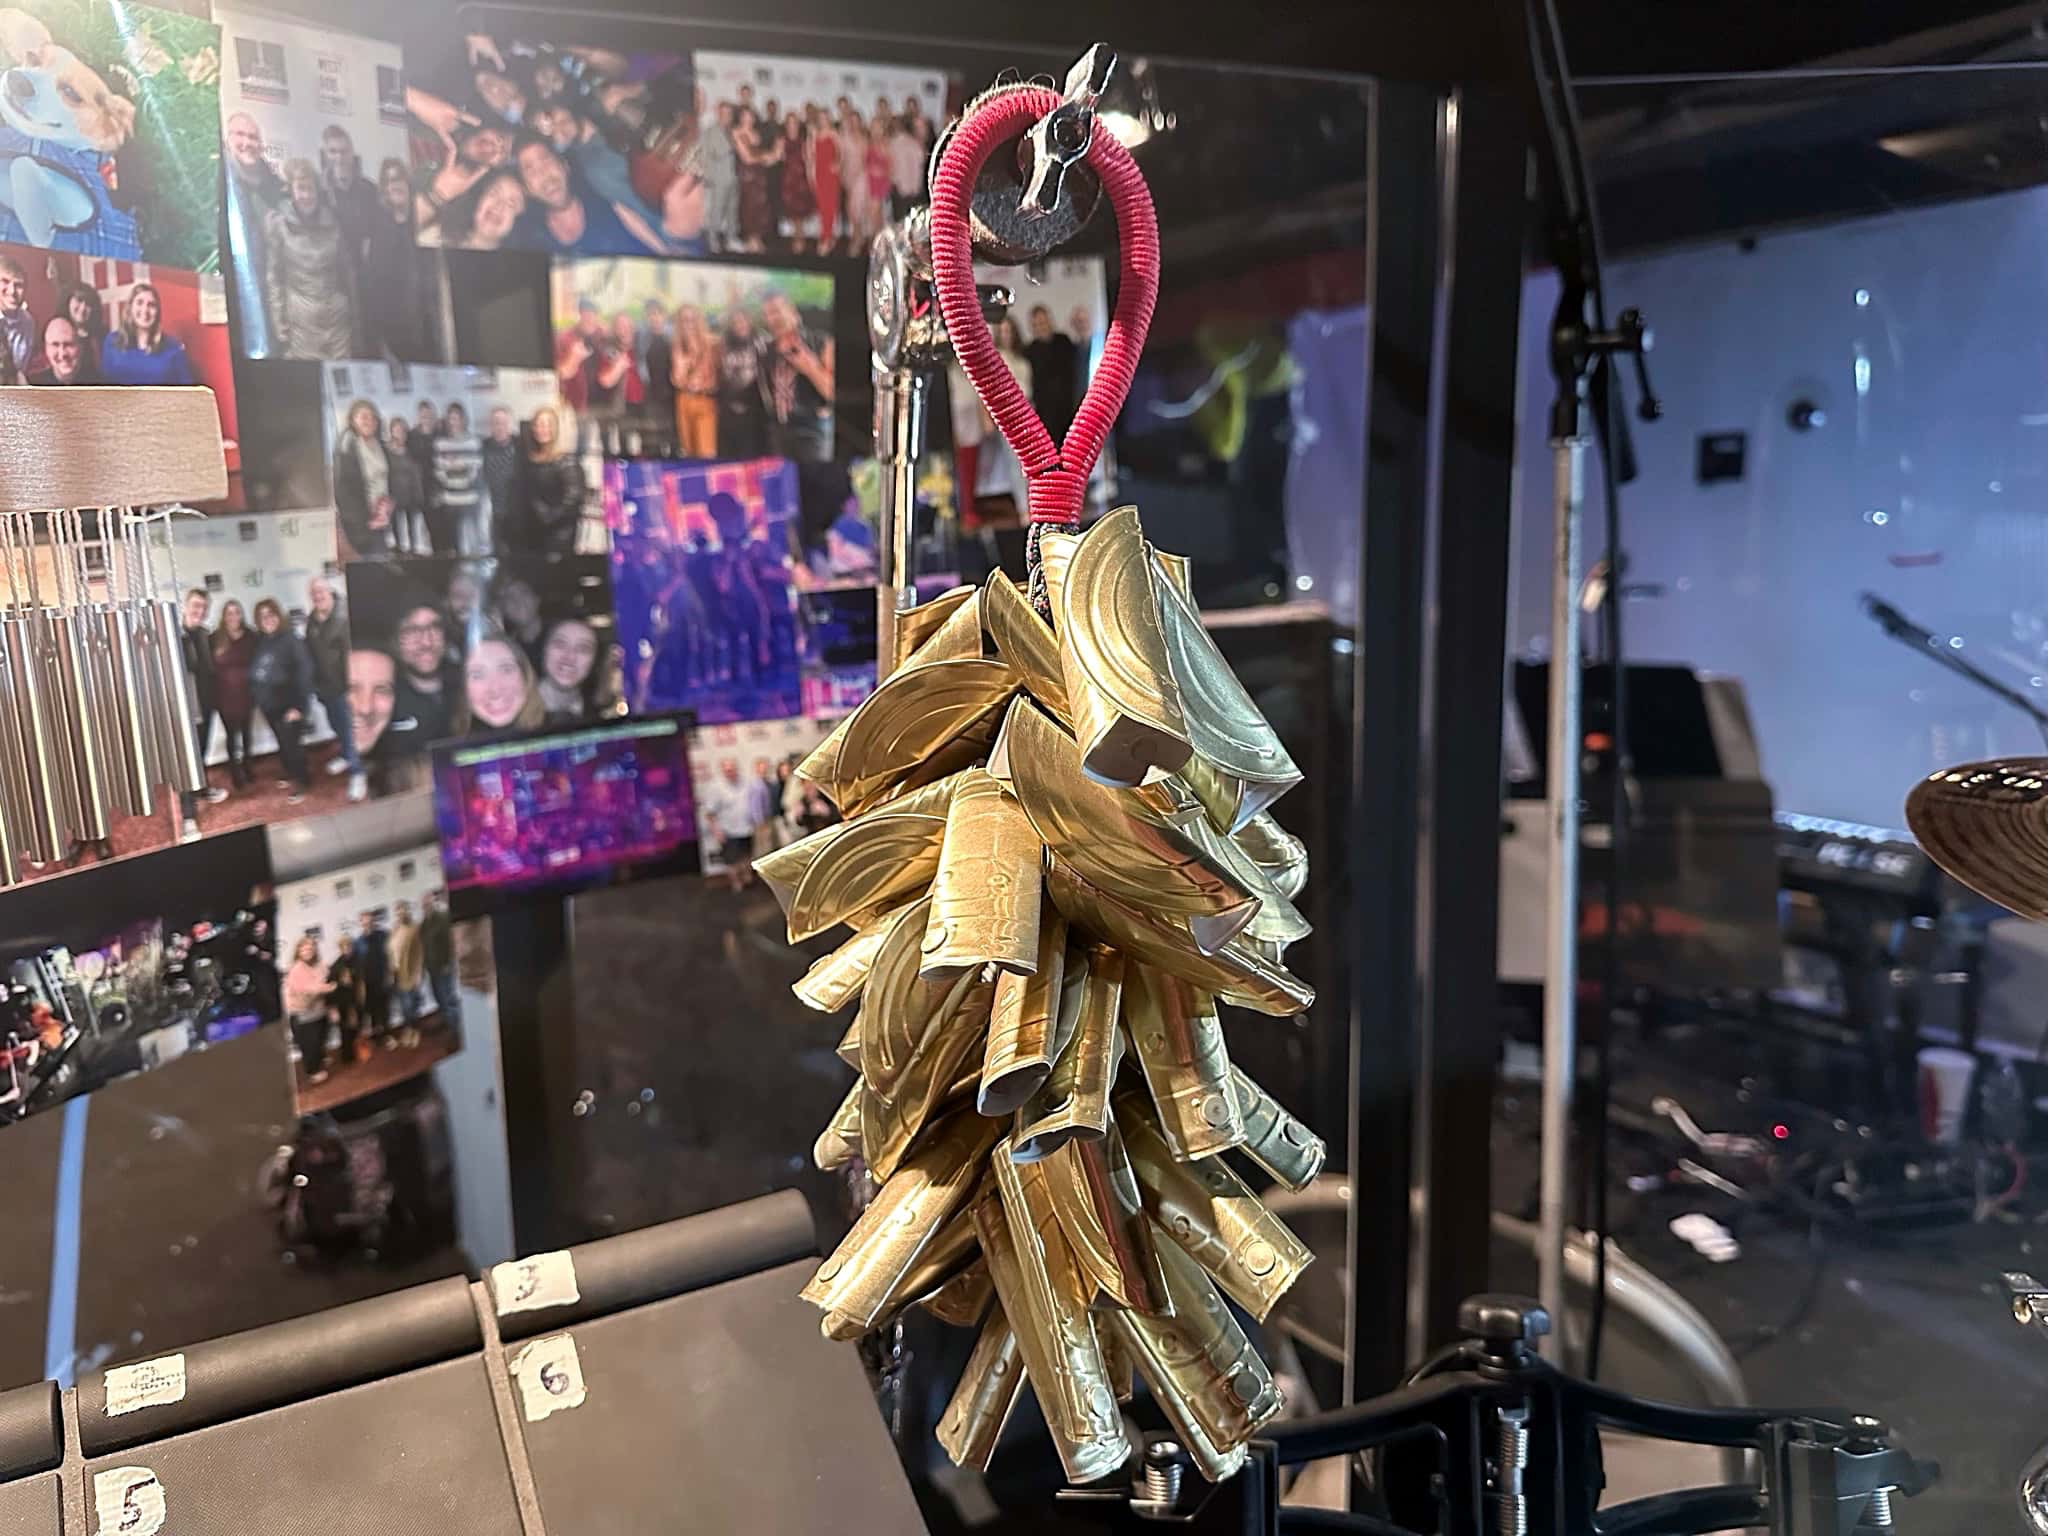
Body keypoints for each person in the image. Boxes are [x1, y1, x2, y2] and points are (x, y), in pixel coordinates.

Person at [509, 132, 662, 256]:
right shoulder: (533, 241)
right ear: (527, 190)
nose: (542, 173)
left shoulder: (603, 198)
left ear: (564, 167)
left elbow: (649, 237)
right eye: (530, 170)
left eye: (546, 160)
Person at [264, 158, 358, 360]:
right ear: (291, 191)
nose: (306, 195)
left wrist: (354, 313)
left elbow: (348, 271)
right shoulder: (279, 226)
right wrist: (279, 321)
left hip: (337, 323)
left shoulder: (332, 222)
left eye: (311, 189)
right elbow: (274, 277)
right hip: (302, 324)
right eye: (301, 189)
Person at [223, 113, 286, 354]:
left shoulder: (277, 188)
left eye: (253, 137)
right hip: (238, 303)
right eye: (239, 135)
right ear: (227, 139)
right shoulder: (221, 188)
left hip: (274, 297)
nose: (246, 143)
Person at [362, 158, 429, 361]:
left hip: (429, 326)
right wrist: (381, 338)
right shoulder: (379, 229)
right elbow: (375, 285)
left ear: (408, 183)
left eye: (398, 179)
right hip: (396, 331)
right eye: (388, 181)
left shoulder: (426, 222)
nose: (394, 186)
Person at [250, 597, 315, 804]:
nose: (267, 619)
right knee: (283, 743)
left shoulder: (291, 639)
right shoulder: (262, 640)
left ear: (278, 616)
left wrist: (299, 706)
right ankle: (290, 773)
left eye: (270, 614)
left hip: (289, 704)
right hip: (270, 705)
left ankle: (303, 782)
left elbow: (305, 672)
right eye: (262, 616)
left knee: (292, 745)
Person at [305, 577, 365, 803]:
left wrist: (354, 686)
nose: (318, 596)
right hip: (325, 687)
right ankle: (347, 756)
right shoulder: (312, 619)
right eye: (314, 593)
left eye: (321, 591)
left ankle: (358, 773)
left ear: (330, 591)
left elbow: (353, 655)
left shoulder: (343, 617)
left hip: (345, 687)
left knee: (351, 731)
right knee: (337, 726)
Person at [761, 290, 835, 462]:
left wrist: (810, 367)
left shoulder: (821, 341)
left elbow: (833, 392)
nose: (774, 318)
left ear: (791, 310)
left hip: (812, 432)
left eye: (777, 310)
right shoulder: (767, 351)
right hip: (779, 434)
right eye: (768, 314)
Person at [332, 399, 395, 558]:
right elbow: (343, 492)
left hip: (382, 519)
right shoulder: (346, 449)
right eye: (363, 417)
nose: (369, 421)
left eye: (372, 417)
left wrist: (389, 504)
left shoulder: (380, 445)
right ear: (353, 420)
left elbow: (388, 478)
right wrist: (361, 524)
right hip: (361, 524)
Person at [519, 406, 585, 556]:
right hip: (535, 531)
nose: (541, 429)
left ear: (555, 428)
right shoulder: (529, 459)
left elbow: (573, 498)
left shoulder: (566, 460)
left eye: (547, 424)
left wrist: (549, 516)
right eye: (538, 424)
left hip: (560, 532)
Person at [98, 282, 193, 386]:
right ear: (130, 308)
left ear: (157, 312)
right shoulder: (112, 341)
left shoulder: (174, 347)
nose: (145, 310)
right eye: (139, 303)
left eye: (151, 305)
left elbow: (187, 391)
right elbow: (104, 387)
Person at [393, 604, 460, 749]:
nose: (426, 642)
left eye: (435, 627)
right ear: (395, 641)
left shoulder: (471, 686)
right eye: (411, 630)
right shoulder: (384, 702)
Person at [457, 630, 545, 732]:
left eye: (506, 669)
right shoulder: (451, 743)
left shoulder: (562, 730)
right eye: (478, 675)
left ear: (525, 676)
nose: (495, 689)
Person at [211, 600, 256, 788]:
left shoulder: (251, 636)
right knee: (232, 736)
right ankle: (235, 772)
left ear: (241, 615)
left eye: (237, 612)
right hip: (224, 696)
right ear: (224, 616)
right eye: (229, 613)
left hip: (247, 694)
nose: (233, 617)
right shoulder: (214, 638)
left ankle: (247, 766)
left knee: (246, 733)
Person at [320, 126, 378, 266]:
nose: (339, 158)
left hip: (363, 273)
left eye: (344, 151)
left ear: (352, 153)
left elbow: (376, 234)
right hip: (330, 273)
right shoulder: (318, 191)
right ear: (325, 155)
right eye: (333, 152)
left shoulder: (370, 189)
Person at [431, 401, 482, 556]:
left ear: (463, 419)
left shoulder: (474, 441)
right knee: (454, 547)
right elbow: (439, 469)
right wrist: (457, 469)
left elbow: (476, 468)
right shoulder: (440, 443)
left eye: (457, 418)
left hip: (469, 499)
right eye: (451, 418)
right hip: (449, 500)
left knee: (472, 545)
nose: (454, 422)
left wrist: (456, 468)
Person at [716, 308, 768, 458]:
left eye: (742, 320)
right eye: (735, 322)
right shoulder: (723, 344)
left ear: (749, 321)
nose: (739, 325)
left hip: (755, 411)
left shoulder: (762, 341)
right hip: (728, 411)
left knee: (752, 453)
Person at [1023, 304, 1080, 442]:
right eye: (1036, 324)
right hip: (1044, 416)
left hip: (1069, 410)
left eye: (1043, 322)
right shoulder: (1029, 351)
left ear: (1050, 321)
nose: (1040, 327)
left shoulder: (1064, 341)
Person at [284, 935, 335, 1084]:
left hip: (319, 1010)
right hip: (303, 1013)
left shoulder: (319, 965)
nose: (308, 951)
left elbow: (326, 977)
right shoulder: (296, 969)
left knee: (320, 1039)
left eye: (311, 948)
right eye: (304, 948)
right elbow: (308, 989)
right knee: (309, 1043)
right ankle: (313, 1071)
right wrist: (329, 988)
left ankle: (320, 1059)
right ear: (298, 951)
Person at [442, 165, 526, 251]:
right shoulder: (438, 238)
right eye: (494, 192)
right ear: (479, 198)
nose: (499, 205)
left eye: (511, 203)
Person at [671, 304, 717, 457]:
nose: (688, 324)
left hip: (704, 400)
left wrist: (703, 383)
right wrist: (682, 367)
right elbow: (676, 380)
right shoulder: (677, 346)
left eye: (691, 320)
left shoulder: (711, 344)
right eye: (684, 320)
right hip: (683, 400)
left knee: (706, 452)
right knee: (688, 451)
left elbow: (719, 377)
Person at [537, 616, 598, 722]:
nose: (570, 657)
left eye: (583, 648)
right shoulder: (514, 711)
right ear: (544, 650)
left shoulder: (598, 717)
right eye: (560, 644)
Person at [479, 407, 521, 554]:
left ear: (510, 424)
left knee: (518, 553)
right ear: (490, 425)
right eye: (496, 422)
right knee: (497, 554)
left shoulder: (521, 446)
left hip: (516, 512)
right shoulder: (483, 447)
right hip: (493, 512)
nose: (500, 426)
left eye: (503, 422)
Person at [700, 100, 739, 252]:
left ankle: (731, 239)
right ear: (718, 113)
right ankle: (713, 241)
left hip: (733, 177)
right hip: (718, 179)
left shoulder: (731, 130)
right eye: (724, 113)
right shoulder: (711, 131)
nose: (727, 116)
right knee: (716, 212)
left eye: (729, 114)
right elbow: (716, 152)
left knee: (732, 211)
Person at [385, 417, 428, 555]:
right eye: (396, 430)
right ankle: (399, 554)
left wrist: (419, 495)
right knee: (397, 532)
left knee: (413, 531)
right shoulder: (386, 451)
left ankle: (414, 553)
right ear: (391, 432)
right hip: (393, 497)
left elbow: (417, 474)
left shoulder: (412, 450)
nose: (400, 433)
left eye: (402, 430)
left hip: (411, 496)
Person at [733, 105, 772, 252]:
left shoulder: (757, 133)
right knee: (748, 207)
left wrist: (770, 156)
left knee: (760, 207)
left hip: (760, 175)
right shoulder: (737, 132)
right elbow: (747, 158)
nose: (748, 119)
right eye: (745, 116)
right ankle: (750, 240)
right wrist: (765, 156)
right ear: (740, 117)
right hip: (747, 175)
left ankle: (757, 239)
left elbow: (766, 156)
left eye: (751, 116)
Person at [554, 298, 604, 412]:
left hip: (600, 404)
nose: (590, 319)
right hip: (574, 404)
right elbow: (560, 374)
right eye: (586, 315)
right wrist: (574, 358)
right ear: (580, 315)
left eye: (593, 315)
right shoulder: (565, 338)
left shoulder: (602, 335)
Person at [352, 911, 392, 1047]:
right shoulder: (357, 942)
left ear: (374, 921)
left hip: (383, 978)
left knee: (385, 1009)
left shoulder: (383, 935)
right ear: (361, 923)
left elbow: (389, 957)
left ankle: (387, 1035)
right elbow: (356, 964)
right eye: (364, 921)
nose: (367, 924)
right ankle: (376, 1037)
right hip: (367, 983)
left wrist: (390, 974)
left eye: (370, 921)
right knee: (372, 1011)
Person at [421, 892, 459, 1030]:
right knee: (439, 999)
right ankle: (448, 1024)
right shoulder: (424, 924)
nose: (425, 905)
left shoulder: (443, 917)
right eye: (423, 904)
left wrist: (449, 963)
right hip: (432, 969)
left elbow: (450, 942)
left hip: (444, 967)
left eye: (427, 902)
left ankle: (456, 1031)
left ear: (433, 902)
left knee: (449, 999)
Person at [778, 110, 815, 253]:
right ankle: (796, 240)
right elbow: (778, 157)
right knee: (792, 213)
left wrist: (812, 180)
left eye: (795, 122)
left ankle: (800, 241)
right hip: (788, 179)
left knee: (800, 212)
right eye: (790, 122)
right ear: (786, 124)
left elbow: (809, 161)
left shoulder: (804, 139)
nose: (792, 125)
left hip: (800, 178)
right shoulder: (782, 140)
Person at [639, 300, 675, 443]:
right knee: (654, 437)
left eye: (657, 314)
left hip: (671, 391)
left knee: (673, 435)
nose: (654, 318)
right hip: (651, 391)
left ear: (664, 315)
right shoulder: (642, 336)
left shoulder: (674, 334)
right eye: (650, 315)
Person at [494, 573, 545, 668]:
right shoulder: (508, 650)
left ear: (537, 600)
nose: (517, 601)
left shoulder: (559, 635)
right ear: (504, 610)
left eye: (524, 593)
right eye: (509, 597)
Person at [808, 104, 840, 254]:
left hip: (831, 175)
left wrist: (837, 164)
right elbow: (810, 157)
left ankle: (826, 239)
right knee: (822, 208)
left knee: (830, 207)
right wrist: (811, 174)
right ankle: (827, 236)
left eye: (825, 118)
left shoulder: (834, 134)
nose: (823, 121)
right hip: (819, 174)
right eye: (821, 118)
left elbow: (841, 153)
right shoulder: (813, 135)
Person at [838, 107, 871, 251]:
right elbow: (842, 159)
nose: (854, 124)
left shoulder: (865, 139)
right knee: (850, 210)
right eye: (852, 121)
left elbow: (868, 160)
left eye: (856, 121)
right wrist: (842, 175)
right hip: (848, 177)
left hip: (861, 177)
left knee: (855, 209)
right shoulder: (844, 139)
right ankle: (858, 237)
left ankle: (857, 239)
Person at [390, 901, 425, 1033]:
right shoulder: (394, 928)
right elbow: (391, 950)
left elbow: (420, 952)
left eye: (403, 910)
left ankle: (414, 1029)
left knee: (410, 1004)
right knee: (404, 1005)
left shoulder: (415, 928)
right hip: (396, 973)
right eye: (398, 911)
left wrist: (418, 973)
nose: (400, 914)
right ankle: (410, 1028)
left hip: (410, 972)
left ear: (408, 911)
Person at [57, 285, 103, 381]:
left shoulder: (100, 337)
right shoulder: (56, 333)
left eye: (88, 304)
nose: (83, 308)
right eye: (79, 300)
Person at [888, 108, 925, 219]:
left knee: (899, 221)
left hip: (899, 189)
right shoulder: (915, 143)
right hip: (913, 190)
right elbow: (920, 165)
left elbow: (892, 167)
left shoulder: (893, 143)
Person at [26, 317, 85, 386]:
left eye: (68, 344)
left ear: (80, 347)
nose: (62, 354)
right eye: (55, 345)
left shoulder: (98, 384)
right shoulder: (33, 386)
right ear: (46, 349)